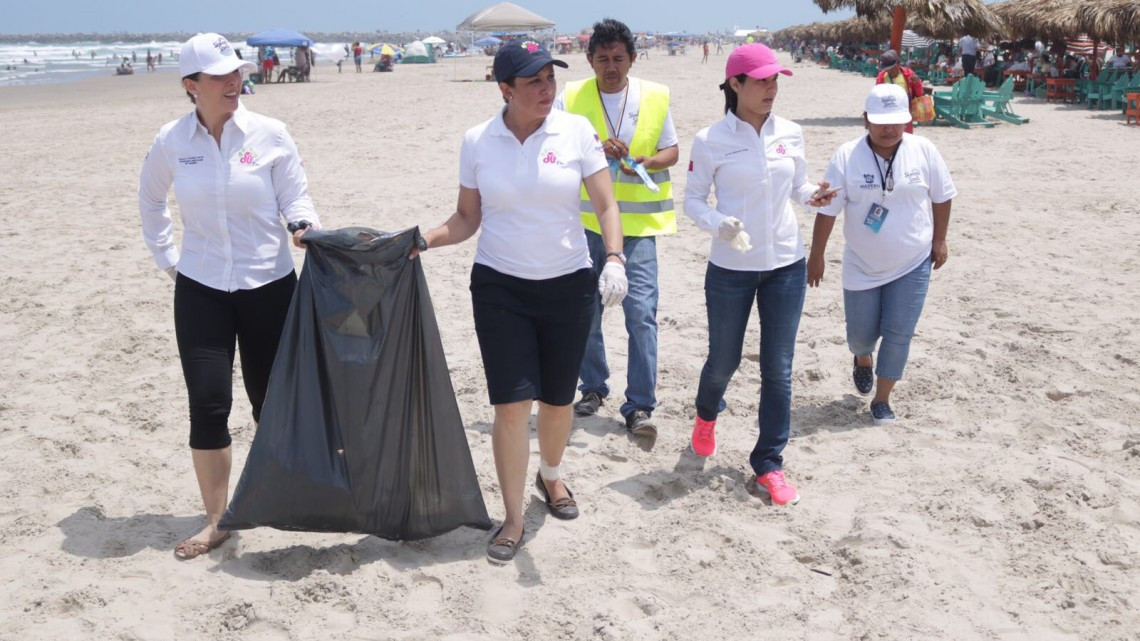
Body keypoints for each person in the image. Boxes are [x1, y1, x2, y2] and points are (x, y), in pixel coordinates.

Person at [414, 41, 627, 564]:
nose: (546, 90)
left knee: (557, 402)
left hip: (569, 283)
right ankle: (512, 517)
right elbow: (467, 218)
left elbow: (604, 202)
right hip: (500, 287)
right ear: (505, 88)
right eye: (533, 82)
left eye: (550, 79)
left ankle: (551, 477)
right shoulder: (478, 141)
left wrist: (616, 258)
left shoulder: (575, 130)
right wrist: (423, 239)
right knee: (510, 407)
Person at [137, 33, 320, 560]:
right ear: (191, 86)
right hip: (202, 290)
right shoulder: (171, 141)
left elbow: (295, 194)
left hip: (270, 285)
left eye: (236, 71)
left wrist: (303, 224)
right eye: (219, 75)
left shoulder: (270, 133)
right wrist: (168, 259)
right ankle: (217, 520)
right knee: (209, 404)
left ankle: (279, 495)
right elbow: (150, 199)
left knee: (272, 403)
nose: (234, 80)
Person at [684, 44, 837, 507]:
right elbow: (692, 201)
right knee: (722, 362)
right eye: (763, 80)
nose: (772, 88)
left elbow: (797, 186)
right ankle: (707, 414)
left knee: (779, 369)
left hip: (785, 265)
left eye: (776, 80)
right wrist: (719, 224)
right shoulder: (710, 139)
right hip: (731, 268)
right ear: (736, 84)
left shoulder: (790, 132)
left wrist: (816, 196)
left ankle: (769, 462)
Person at [555, 18, 680, 437]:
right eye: (603, 58)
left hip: (639, 226)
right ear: (589, 60)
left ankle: (640, 405)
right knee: (585, 312)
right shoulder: (570, 96)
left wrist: (646, 161)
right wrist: (594, 148)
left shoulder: (655, 96)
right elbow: (551, 147)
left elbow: (672, 150)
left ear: (632, 59)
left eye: (619, 58)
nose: (611, 66)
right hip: (586, 223)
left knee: (641, 314)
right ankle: (593, 387)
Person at [807, 84, 956, 425]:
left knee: (900, 331)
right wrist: (817, 255)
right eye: (880, 122)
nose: (889, 129)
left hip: (913, 259)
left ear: (907, 120)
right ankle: (862, 358)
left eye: (897, 121)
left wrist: (940, 240)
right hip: (861, 262)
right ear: (865, 121)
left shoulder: (924, 150)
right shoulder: (847, 155)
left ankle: (882, 399)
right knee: (860, 334)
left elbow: (942, 195)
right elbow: (828, 210)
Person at [875, 49, 923, 134]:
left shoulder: (908, 74)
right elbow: (877, 95)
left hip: (905, 111)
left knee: (906, 136)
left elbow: (919, 94)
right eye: (886, 69)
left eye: (890, 68)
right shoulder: (882, 76)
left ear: (897, 64)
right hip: (887, 111)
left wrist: (917, 83)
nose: (888, 71)